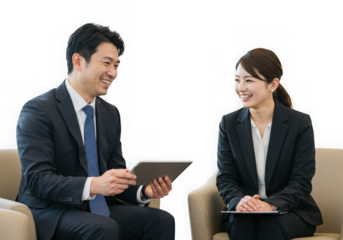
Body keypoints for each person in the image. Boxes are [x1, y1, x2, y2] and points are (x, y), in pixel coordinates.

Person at [15, 22, 175, 240]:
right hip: (50, 211)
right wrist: (94, 184)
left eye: (117, 65)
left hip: (96, 208)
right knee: (103, 228)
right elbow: (37, 180)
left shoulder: (110, 113)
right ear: (78, 61)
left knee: (161, 219)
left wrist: (143, 192)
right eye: (107, 63)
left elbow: (115, 172)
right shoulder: (38, 109)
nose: (114, 73)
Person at [216, 47, 323, 240]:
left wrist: (272, 204)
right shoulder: (228, 123)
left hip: (291, 211)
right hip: (245, 211)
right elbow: (225, 178)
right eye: (237, 80)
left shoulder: (300, 123)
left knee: (270, 224)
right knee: (240, 224)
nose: (240, 88)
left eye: (249, 80)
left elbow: (301, 181)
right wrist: (240, 201)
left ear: (273, 84)